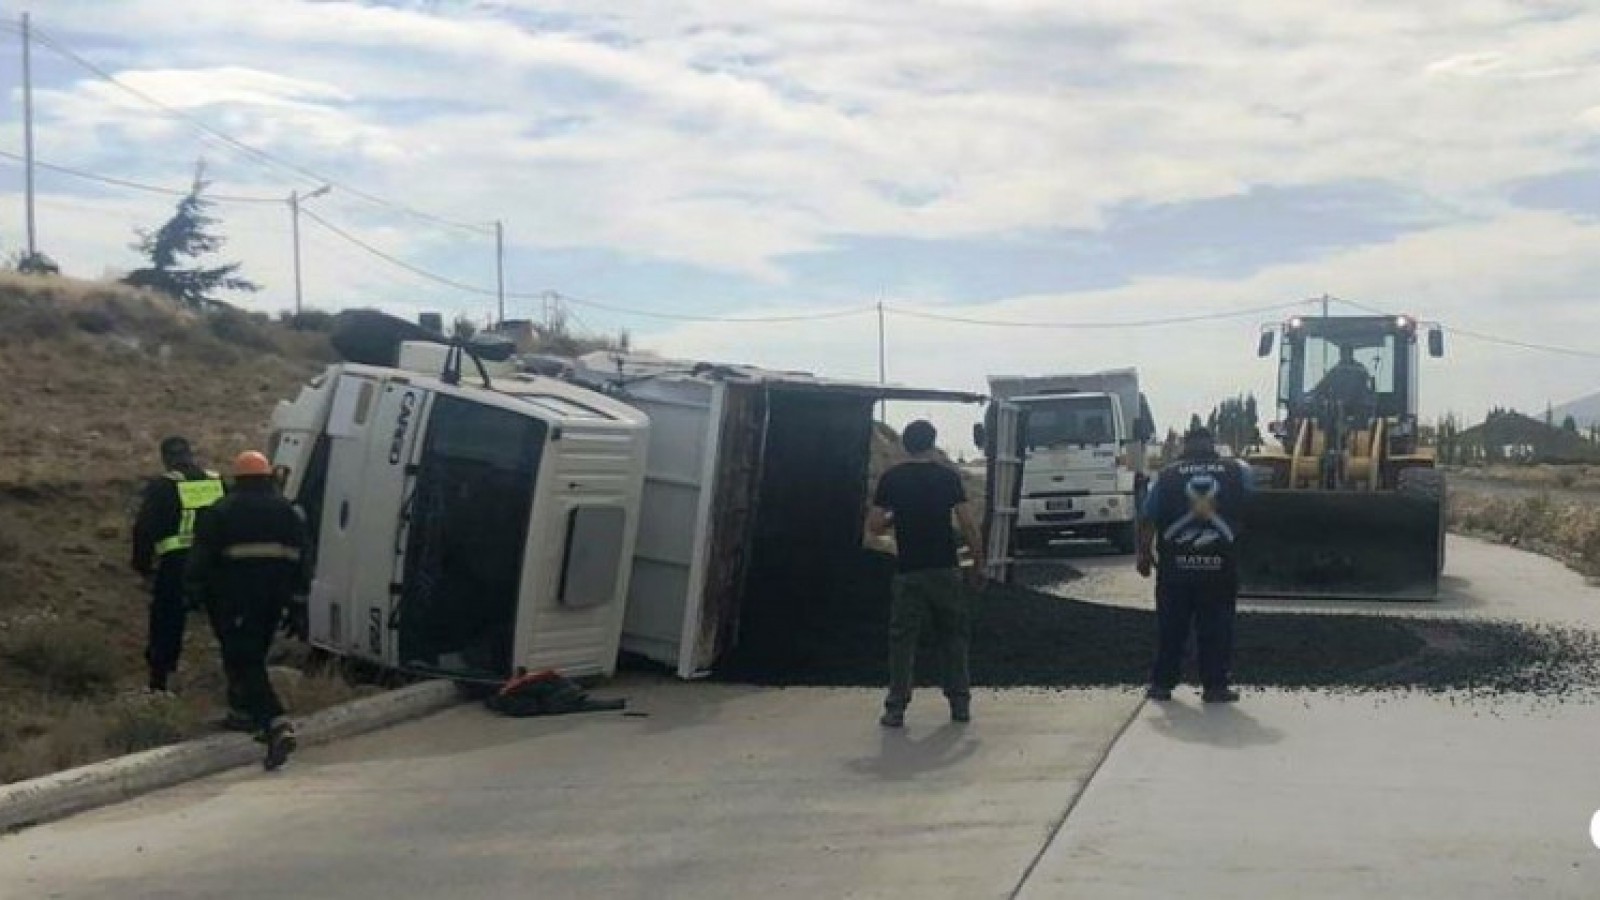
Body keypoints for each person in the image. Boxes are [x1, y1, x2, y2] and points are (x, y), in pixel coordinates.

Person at [185, 451, 309, 771]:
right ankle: (243, 713)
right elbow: (302, 559)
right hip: (275, 600)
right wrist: (298, 603)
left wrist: (193, 591)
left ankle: (275, 721)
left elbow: (202, 557)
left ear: (237, 479)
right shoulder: (288, 512)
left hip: (234, 600)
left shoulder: (221, 511)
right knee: (252, 655)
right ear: (268, 476)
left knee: (244, 660)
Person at [867, 420, 986, 727]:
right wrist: (978, 563)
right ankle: (960, 704)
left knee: (902, 641)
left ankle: (896, 707)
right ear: (932, 443)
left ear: (905, 445)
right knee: (953, 636)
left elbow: (875, 526)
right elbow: (968, 524)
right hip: (945, 568)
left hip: (909, 570)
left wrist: (897, 516)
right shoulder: (947, 478)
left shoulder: (892, 479)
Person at [1135, 426, 1250, 703]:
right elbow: (1258, 505)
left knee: (1171, 628)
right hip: (1220, 567)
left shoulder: (1167, 476)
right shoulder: (1237, 472)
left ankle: (1162, 684)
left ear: (1185, 447)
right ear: (1213, 446)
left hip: (1176, 570)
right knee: (1217, 628)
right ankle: (1215, 686)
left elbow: (1148, 517)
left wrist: (1143, 555)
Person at [131, 436, 225, 693]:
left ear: (165, 459)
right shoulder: (216, 481)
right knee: (225, 623)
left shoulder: (164, 486)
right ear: (190, 454)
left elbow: (144, 529)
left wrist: (142, 566)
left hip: (176, 565)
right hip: (215, 565)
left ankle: (160, 682)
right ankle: (238, 677)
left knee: (166, 622)